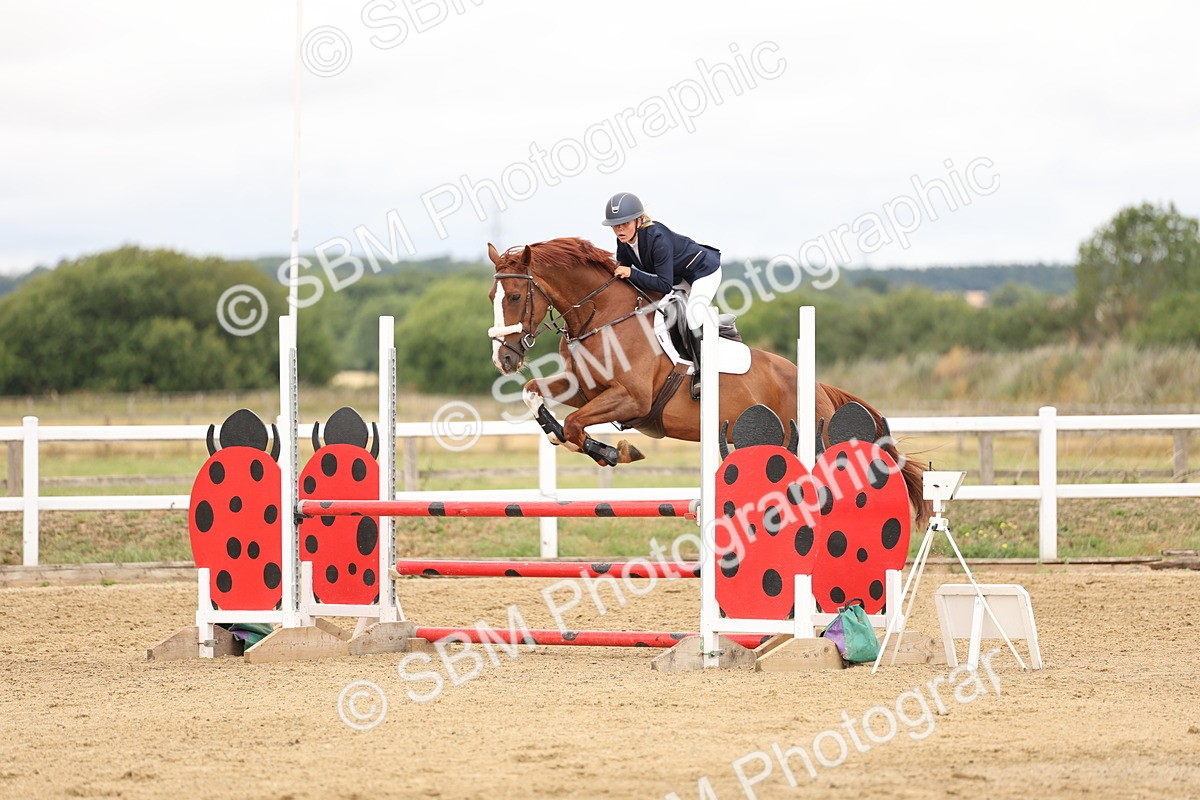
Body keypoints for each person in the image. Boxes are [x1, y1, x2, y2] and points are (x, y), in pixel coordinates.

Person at [602, 192, 721, 399]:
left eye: (624, 223)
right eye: (615, 225)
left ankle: (705, 372)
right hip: (678, 277)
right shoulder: (624, 241)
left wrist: (632, 273)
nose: (619, 229)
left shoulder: (658, 238)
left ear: (639, 220)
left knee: (693, 313)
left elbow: (664, 285)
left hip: (702, 272)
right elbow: (622, 268)